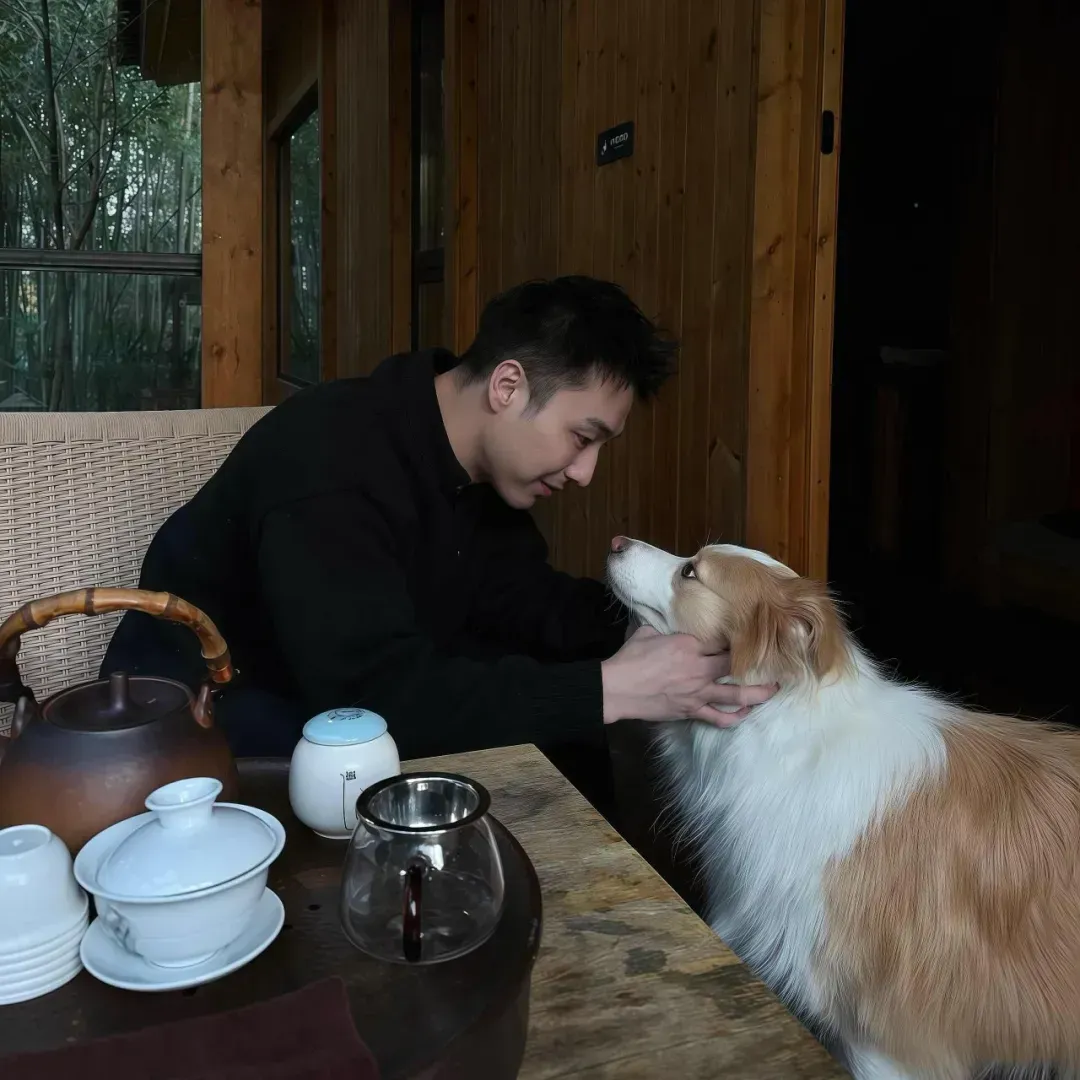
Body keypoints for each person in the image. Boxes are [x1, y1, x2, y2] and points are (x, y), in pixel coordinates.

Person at [101, 276, 775, 760]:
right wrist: (611, 689)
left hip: (351, 692)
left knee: (564, 715)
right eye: (582, 437)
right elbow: (372, 701)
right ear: (507, 387)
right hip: (197, 723)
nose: (585, 472)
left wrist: (680, 636)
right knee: (566, 709)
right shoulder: (328, 461)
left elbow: (529, 603)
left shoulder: (478, 473)